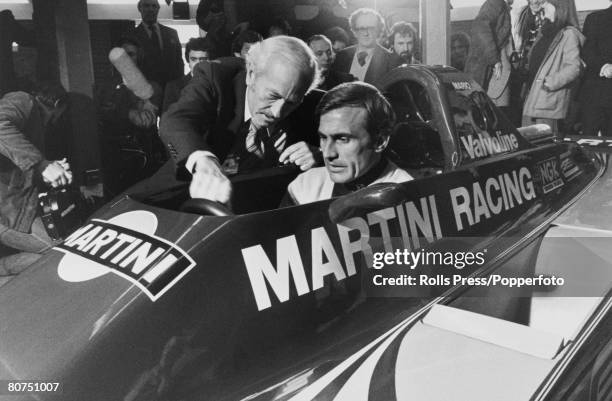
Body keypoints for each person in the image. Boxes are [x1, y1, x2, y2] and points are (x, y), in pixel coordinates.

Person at [160, 36, 322, 203]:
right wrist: (204, 161)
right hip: (184, 197)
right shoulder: (215, 77)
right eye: (272, 96)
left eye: (291, 103)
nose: (277, 113)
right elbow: (176, 120)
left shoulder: (307, 99)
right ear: (251, 75)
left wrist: (320, 155)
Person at [285, 82, 412, 205]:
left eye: (342, 139)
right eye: (323, 138)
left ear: (380, 142)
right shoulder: (304, 187)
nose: (328, 154)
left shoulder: (408, 194)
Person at [0, 82, 71, 274]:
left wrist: (50, 169)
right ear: (56, 103)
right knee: (58, 251)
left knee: (50, 256)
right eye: (59, 114)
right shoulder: (23, 99)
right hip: (6, 211)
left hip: (14, 208)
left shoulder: (32, 120)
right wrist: (41, 164)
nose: (55, 121)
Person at [522, 0, 583, 134]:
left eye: (546, 2)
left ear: (559, 6)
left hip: (548, 104)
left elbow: (574, 67)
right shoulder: (544, 32)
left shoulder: (568, 34)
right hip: (533, 98)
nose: (542, 5)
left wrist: (550, 82)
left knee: (546, 148)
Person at [332, 8, 403, 85]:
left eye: (371, 28)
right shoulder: (342, 56)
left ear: (379, 30)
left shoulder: (391, 61)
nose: (366, 33)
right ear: (354, 32)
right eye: (361, 28)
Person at [133, 0, 184, 89]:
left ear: (158, 9)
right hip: (145, 90)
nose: (150, 9)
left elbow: (179, 63)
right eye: (146, 6)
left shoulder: (172, 33)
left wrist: (180, 87)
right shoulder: (132, 36)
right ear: (139, 9)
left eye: (154, 6)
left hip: (171, 90)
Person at [579, 1, 612, 136]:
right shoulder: (595, 18)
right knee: (589, 144)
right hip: (596, 94)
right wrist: (604, 66)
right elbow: (587, 51)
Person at [464, 0, 512, 90]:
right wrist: (494, 60)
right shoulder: (495, 2)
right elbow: (480, 27)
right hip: (482, 69)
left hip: (486, 68)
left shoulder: (502, 6)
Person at [162, 37, 216, 113]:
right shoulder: (173, 87)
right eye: (194, 59)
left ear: (210, 60)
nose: (198, 64)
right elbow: (166, 121)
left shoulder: (218, 85)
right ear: (188, 60)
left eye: (203, 59)